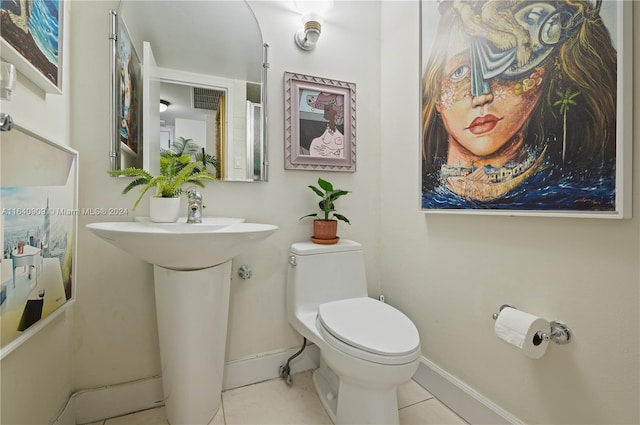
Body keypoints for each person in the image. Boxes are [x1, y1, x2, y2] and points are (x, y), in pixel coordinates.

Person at [421, 0, 617, 210]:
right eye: (460, 72)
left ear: (543, 72)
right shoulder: (425, 193)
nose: (482, 95)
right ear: (435, 94)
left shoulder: (581, 191)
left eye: (509, 65)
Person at [307, 93, 346, 158]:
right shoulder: (317, 140)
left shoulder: (341, 138)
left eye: (327, 110)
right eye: (325, 109)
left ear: (335, 112)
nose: (325, 113)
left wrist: (331, 151)